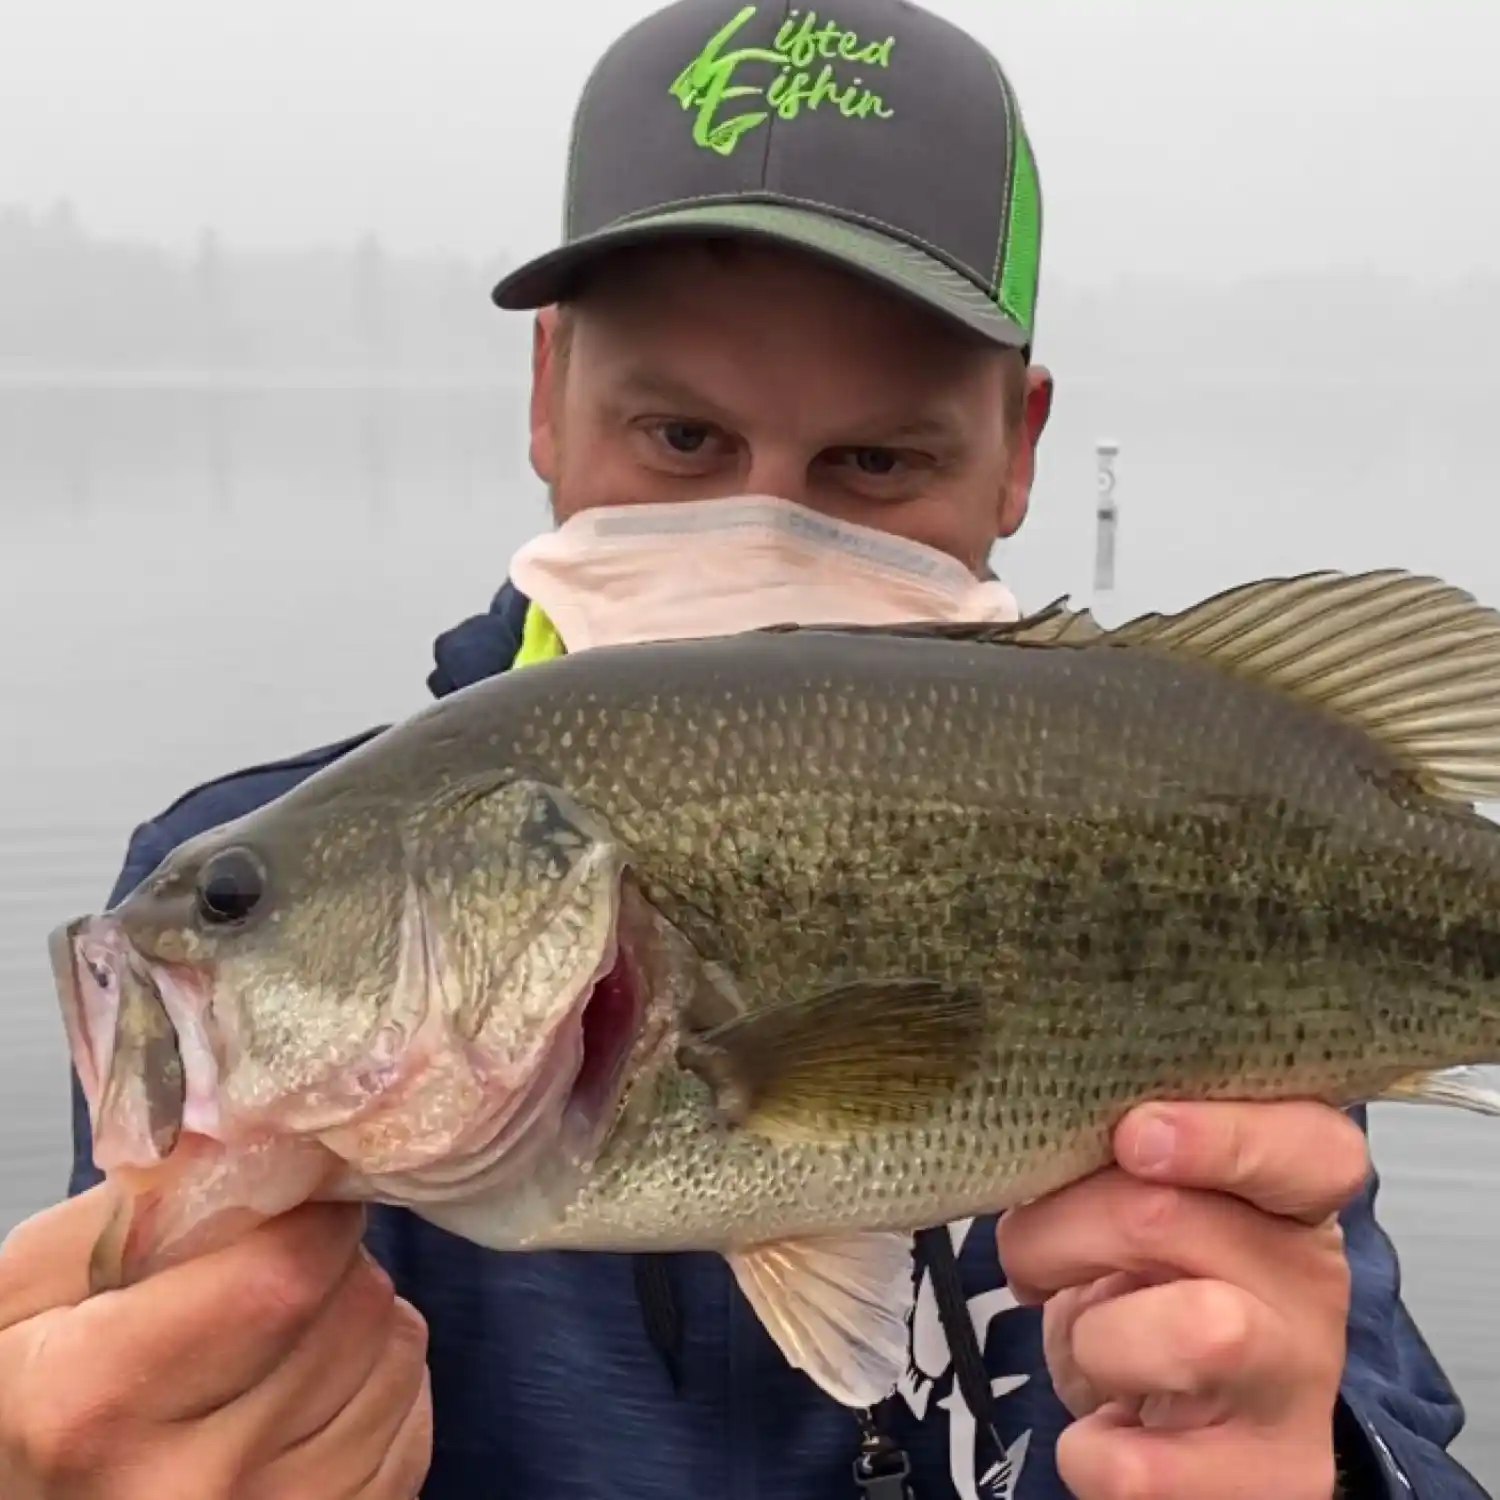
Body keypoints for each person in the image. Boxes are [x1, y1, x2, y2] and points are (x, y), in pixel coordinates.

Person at [0, 2, 1489, 1498]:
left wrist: (1318, 1465)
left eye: (876, 460)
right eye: (684, 441)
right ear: (545, 391)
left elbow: (1391, 1428)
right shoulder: (229, 931)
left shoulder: (1207, 858)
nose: (764, 527)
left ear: (1022, 450)